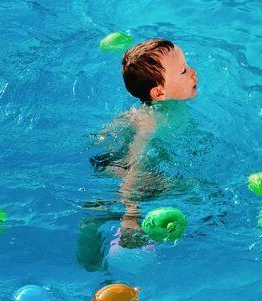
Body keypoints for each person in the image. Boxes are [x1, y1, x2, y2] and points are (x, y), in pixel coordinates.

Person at [76, 38, 198, 271]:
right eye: (183, 71)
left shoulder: (164, 108)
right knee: (197, 191)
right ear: (159, 92)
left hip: (121, 160)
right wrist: (131, 214)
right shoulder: (151, 123)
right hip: (122, 167)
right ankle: (94, 218)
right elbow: (136, 164)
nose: (193, 72)